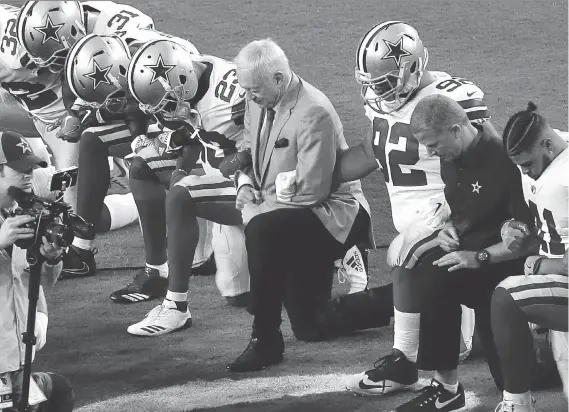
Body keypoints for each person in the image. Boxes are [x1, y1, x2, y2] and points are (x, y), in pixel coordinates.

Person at [349, 94, 533, 411]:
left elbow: (525, 238)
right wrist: (451, 228)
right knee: (430, 274)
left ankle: (536, 355)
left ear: (456, 130)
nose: (432, 153)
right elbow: (464, 211)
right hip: (473, 259)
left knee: (514, 377)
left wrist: (480, 257)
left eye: (434, 145)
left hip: (505, 266)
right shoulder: (451, 158)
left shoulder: (504, 162)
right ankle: (446, 388)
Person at [316, 21, 489, 358]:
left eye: (385, 82)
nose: (378, 92)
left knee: (475, 346)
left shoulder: (451, 98)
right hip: (416, 235)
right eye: (372, 84)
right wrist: (311, 180)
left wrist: (459, 208)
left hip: (453, 229)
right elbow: (370, 152)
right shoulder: (383, 103)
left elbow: (485, 163)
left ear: (413, 67)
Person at [226, 38, 373, 373]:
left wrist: (258, 208)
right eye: (245, 89)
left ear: (278, 79)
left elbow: (312, 192)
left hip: (333, 214)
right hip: (287, 210)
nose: (249, 97)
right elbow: (248, 143)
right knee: (311, 325)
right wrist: (245, 182)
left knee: (263, 230)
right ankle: (400, 301)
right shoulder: (258, 96)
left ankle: (264, 339)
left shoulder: (313, 111)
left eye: (254, 90)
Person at [119, 37, 254, 336]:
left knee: (182, 195)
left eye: (167, 103)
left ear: (183, 80)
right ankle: (157, 268)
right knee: (238, 295)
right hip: (223, 177)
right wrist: (179, 164)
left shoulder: (236, 95)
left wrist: (242, 162)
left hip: (256, 185)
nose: (164, 114)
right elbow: (198, 133)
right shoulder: (193, 73)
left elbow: (274, 143)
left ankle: (175, 307)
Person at [492, 103, 568, 412]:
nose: (524, 172)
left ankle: (516, 404)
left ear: (547, 145)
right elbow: (540, 223)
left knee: (506, 296)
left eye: (527, 163)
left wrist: (537, 265)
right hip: (558, 282)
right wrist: (510, 228)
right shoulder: (546, 156)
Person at [0, 130, 73, 412]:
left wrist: (51, 260)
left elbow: (40, 282)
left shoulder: (18, 216)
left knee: (58, 391)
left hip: (14, 358)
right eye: (19, 169)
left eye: (31, 168)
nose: (29, 175)